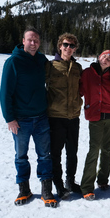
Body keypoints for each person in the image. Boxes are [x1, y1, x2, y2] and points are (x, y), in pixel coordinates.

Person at [0, 27, 58, 208]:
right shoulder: (13, 62)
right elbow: (4, 93)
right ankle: (24, 189)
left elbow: (54, 70)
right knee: (21, 156)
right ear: (23, 41)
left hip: (41, 117)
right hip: (21, 120)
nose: (33, 43)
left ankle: (46, 189)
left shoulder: (41, 60)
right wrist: (10, 118)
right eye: (30, 40)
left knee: (45, 156)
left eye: (36, 41)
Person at [45, 33, 83, 200]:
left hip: (73, 117)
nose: (69, 48)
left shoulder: (78, 68)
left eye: (72, 46)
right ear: (60, 46)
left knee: (72, 153)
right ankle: (59, 185)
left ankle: (70, 181)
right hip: (56, 117)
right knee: (56, 154)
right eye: (66, 45)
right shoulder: (50, 66)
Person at [79, 50, 110, 200]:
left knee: (106, 151)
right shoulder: (87, 73)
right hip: (95, 117)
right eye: (104, 56)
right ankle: (87, 187)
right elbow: (79, 91)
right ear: (98, 57)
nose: (106, 59)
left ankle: (103, 180)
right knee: (93, 150)